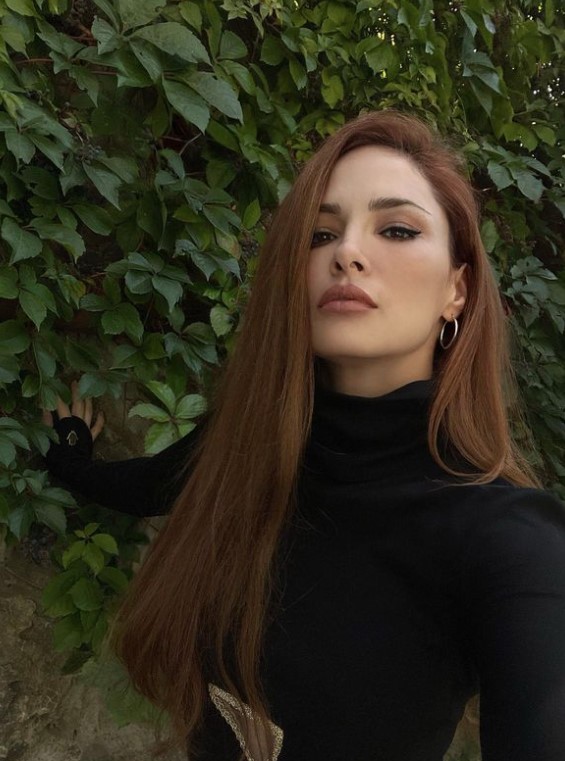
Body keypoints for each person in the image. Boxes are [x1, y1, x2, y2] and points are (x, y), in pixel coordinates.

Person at [44, 111, 565, 761]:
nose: (346, 252)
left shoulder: (509, 540)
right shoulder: (240, 451)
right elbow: (146, 485)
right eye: (320, 234)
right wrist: (69, 458)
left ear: (456, 291)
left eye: (397, 229)